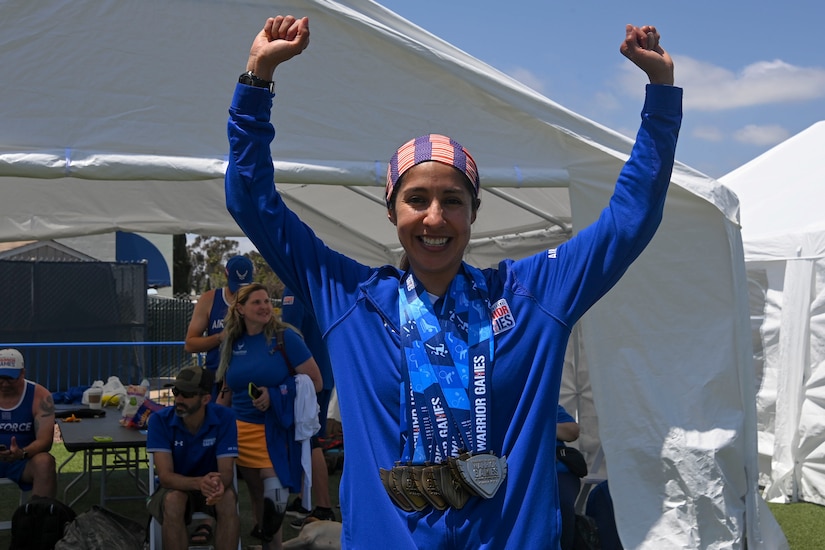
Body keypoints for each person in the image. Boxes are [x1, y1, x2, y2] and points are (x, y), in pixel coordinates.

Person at [225, 15, 678, 549]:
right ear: (391, 211)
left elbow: (629, 220)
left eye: (453, 201)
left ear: (474, 213)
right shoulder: (351, 298)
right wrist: (257, 80)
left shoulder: (529, 297)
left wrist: (660, 95)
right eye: (417, 200)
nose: (435, 218)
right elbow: (253, 202)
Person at [216, 283, 323, 550]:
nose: (265, 306)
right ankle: (269, 545)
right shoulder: (232, 341)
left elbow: (316, 382)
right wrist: (213, 418)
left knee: (275, 496)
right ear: (240, 309)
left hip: (276, 429)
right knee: (257, 499)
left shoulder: (285, 338)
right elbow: (228, 387)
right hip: (240, 432)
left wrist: (275, 393)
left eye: (266, 301)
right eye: (257, 302)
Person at [146, 365, 240, 550]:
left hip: (212, 486)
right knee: (174, 501)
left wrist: (216, 486)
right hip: (174, 488)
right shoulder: (159, 420)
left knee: (227, 499)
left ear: (206, 398)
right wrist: (200, 483)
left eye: (187, 394)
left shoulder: (225, 417)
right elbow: (165, 477)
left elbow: (227, 472)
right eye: (176, 391)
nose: (178, 399)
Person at [280, 287, 337, 527]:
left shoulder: (294, 287)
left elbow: (287, 334)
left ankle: (323, 506)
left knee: (310, 440)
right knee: (310, 440)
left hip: (309, 379)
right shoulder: (316, 284)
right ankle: (306, 498)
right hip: (323, 371)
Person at [185, 255, 255, 398]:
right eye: (236, 287)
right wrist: (220, 337)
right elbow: (190, 344)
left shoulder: (258, 301)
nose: (239, 293)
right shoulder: (209, 299)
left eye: (244, 287)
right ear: (226, 275)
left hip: (248, 379)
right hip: (217, 378)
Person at [0, 348, 57, 500]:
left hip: (23, 461)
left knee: (45, 462)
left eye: (10, 378)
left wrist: (21, 453)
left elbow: (45, 441)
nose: (4, 384)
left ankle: (39, 518)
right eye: (1, 378)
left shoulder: (41, 396)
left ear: (23, 373)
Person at [556, 405, 582, 550]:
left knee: (562, 504)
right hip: (520, 474)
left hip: (558, 472)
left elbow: (573, 432)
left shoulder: (545, 402)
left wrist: (543, 425)